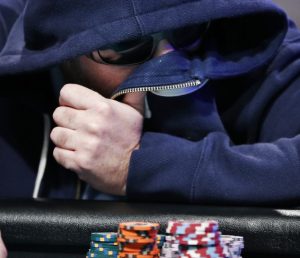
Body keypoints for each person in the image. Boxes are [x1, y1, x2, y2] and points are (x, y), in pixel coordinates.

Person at [0, 0, 300, 204]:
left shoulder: (252, 42)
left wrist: (138, 164)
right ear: (63, 51)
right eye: (127, 44)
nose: (167, 61)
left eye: (186, 27)